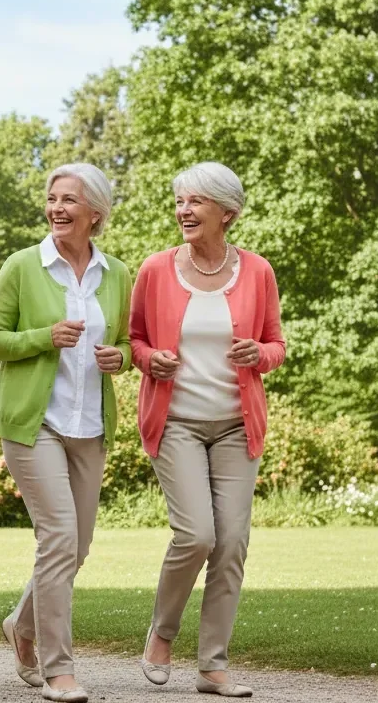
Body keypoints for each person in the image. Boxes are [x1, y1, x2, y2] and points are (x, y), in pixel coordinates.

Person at [130, 162, 286, 698]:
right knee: (197, 534)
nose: (184, 211)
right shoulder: (155, 270)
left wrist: (258, 354)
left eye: (195, 202)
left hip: (236, 426)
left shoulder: (259, 272)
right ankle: (161, 633)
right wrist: (151, 360)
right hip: (176, 423)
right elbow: (135, 339)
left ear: (228, 213)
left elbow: (276, 345)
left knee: (232, 543)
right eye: (179, 201)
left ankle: (213, 665)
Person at [0, 163, 132, 703]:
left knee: (78, 545)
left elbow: (130, 340)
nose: (57, 208)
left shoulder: (115, 273)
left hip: (89, 425)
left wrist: (124, 357)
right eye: (52, 198)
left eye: (70, 200)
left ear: (96, 213)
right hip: (34, 423)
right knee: (59, 537)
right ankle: (58, 668)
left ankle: (22, 624)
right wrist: (44, 337)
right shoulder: (23, 266)